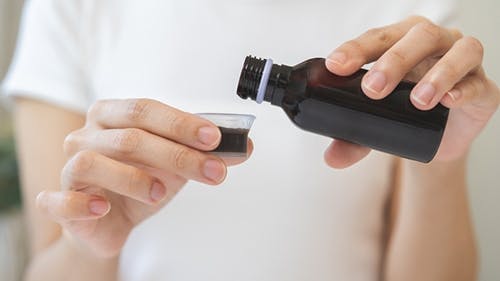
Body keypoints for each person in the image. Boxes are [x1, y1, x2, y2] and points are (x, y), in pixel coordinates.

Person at [2, 0, 499, 280]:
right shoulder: (72, 8)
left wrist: (441, 158)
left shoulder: (411, 19)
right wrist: (92, 245)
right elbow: (45, 264)